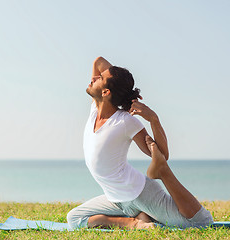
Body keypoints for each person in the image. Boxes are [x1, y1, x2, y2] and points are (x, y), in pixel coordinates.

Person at [66, 56, 213, 229]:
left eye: (100, 79)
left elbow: (162, 154)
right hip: (116, 199)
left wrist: (153, 119)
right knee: (74, 219)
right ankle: (134, 221)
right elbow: (98, 61)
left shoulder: (124, 121)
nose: (94, 78)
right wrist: (123, 90)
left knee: (200, 223)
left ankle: (162, 173)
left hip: (138, 193)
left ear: (106, 92)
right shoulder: (94, 110)